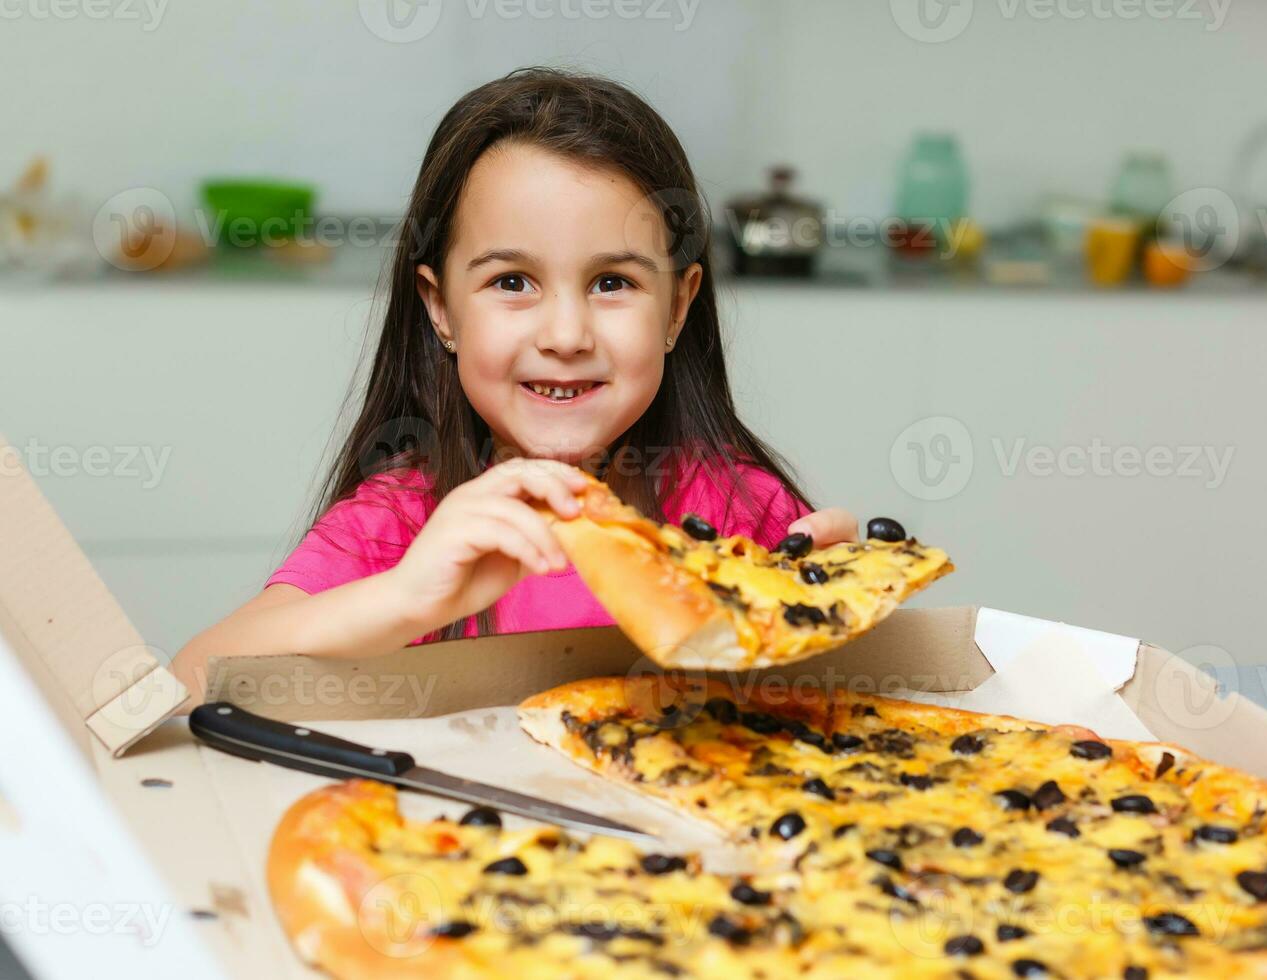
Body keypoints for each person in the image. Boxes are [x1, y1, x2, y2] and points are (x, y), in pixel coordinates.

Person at [172, 68, 856, 703]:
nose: (565, 334)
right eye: (512, 282)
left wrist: (839, 617)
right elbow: (188, 681)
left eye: (612, 283)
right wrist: (408, 597)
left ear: (677, 308)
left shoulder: (743, 515)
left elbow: (846, 703)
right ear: (442, 310)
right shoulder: (404, 525)